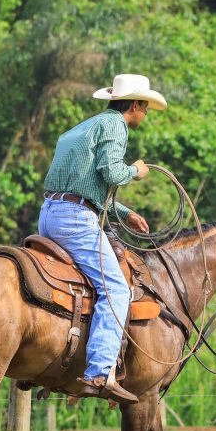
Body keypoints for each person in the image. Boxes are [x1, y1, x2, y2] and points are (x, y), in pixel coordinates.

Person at [38, 74, 167, 405]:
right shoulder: (115, 127)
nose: (146, 114)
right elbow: (111, 173)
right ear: (135, 105)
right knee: (116, 290)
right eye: (146, 108)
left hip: (50, 214)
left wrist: (123, 213)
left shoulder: (84, 128)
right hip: (75, 220)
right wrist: (136, 170)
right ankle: (99, 370)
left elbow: (86, 184)